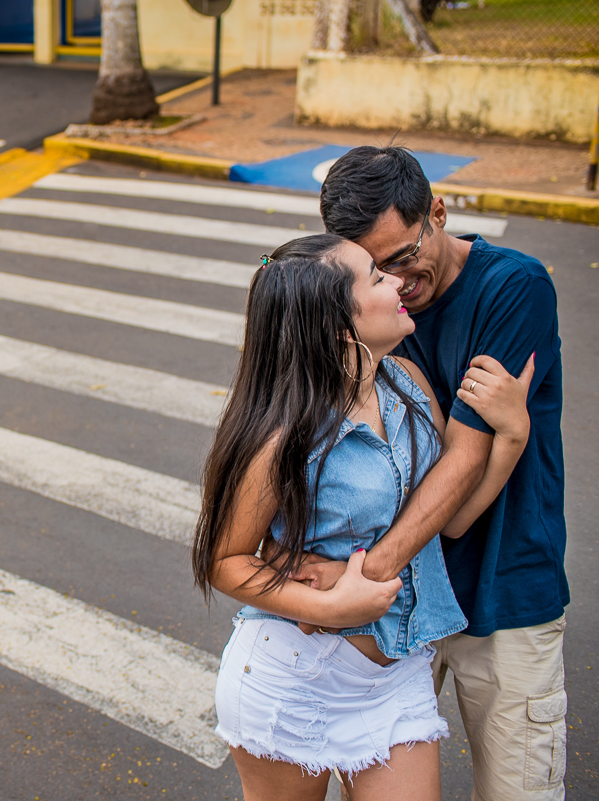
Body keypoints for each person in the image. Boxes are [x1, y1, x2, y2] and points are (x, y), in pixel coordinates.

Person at [192, 233, 532, 801]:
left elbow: (449, 520)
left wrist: (513, 435)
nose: (397, 282)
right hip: (295, 676)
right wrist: (328, 604)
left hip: (397, 670)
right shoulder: (281, 436)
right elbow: (224, 560)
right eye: (376, 277)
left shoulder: (409, 386)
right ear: (343, 330)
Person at [307, 146, 569, 801]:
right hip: (401, 608)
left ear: (439, 212)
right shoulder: (372, 311)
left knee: (518, 787)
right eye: (373, 269)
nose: (398, 280)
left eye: (403, 255)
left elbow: (457, 492)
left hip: (501, 588)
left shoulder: (513, 286)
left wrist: (358, 582)